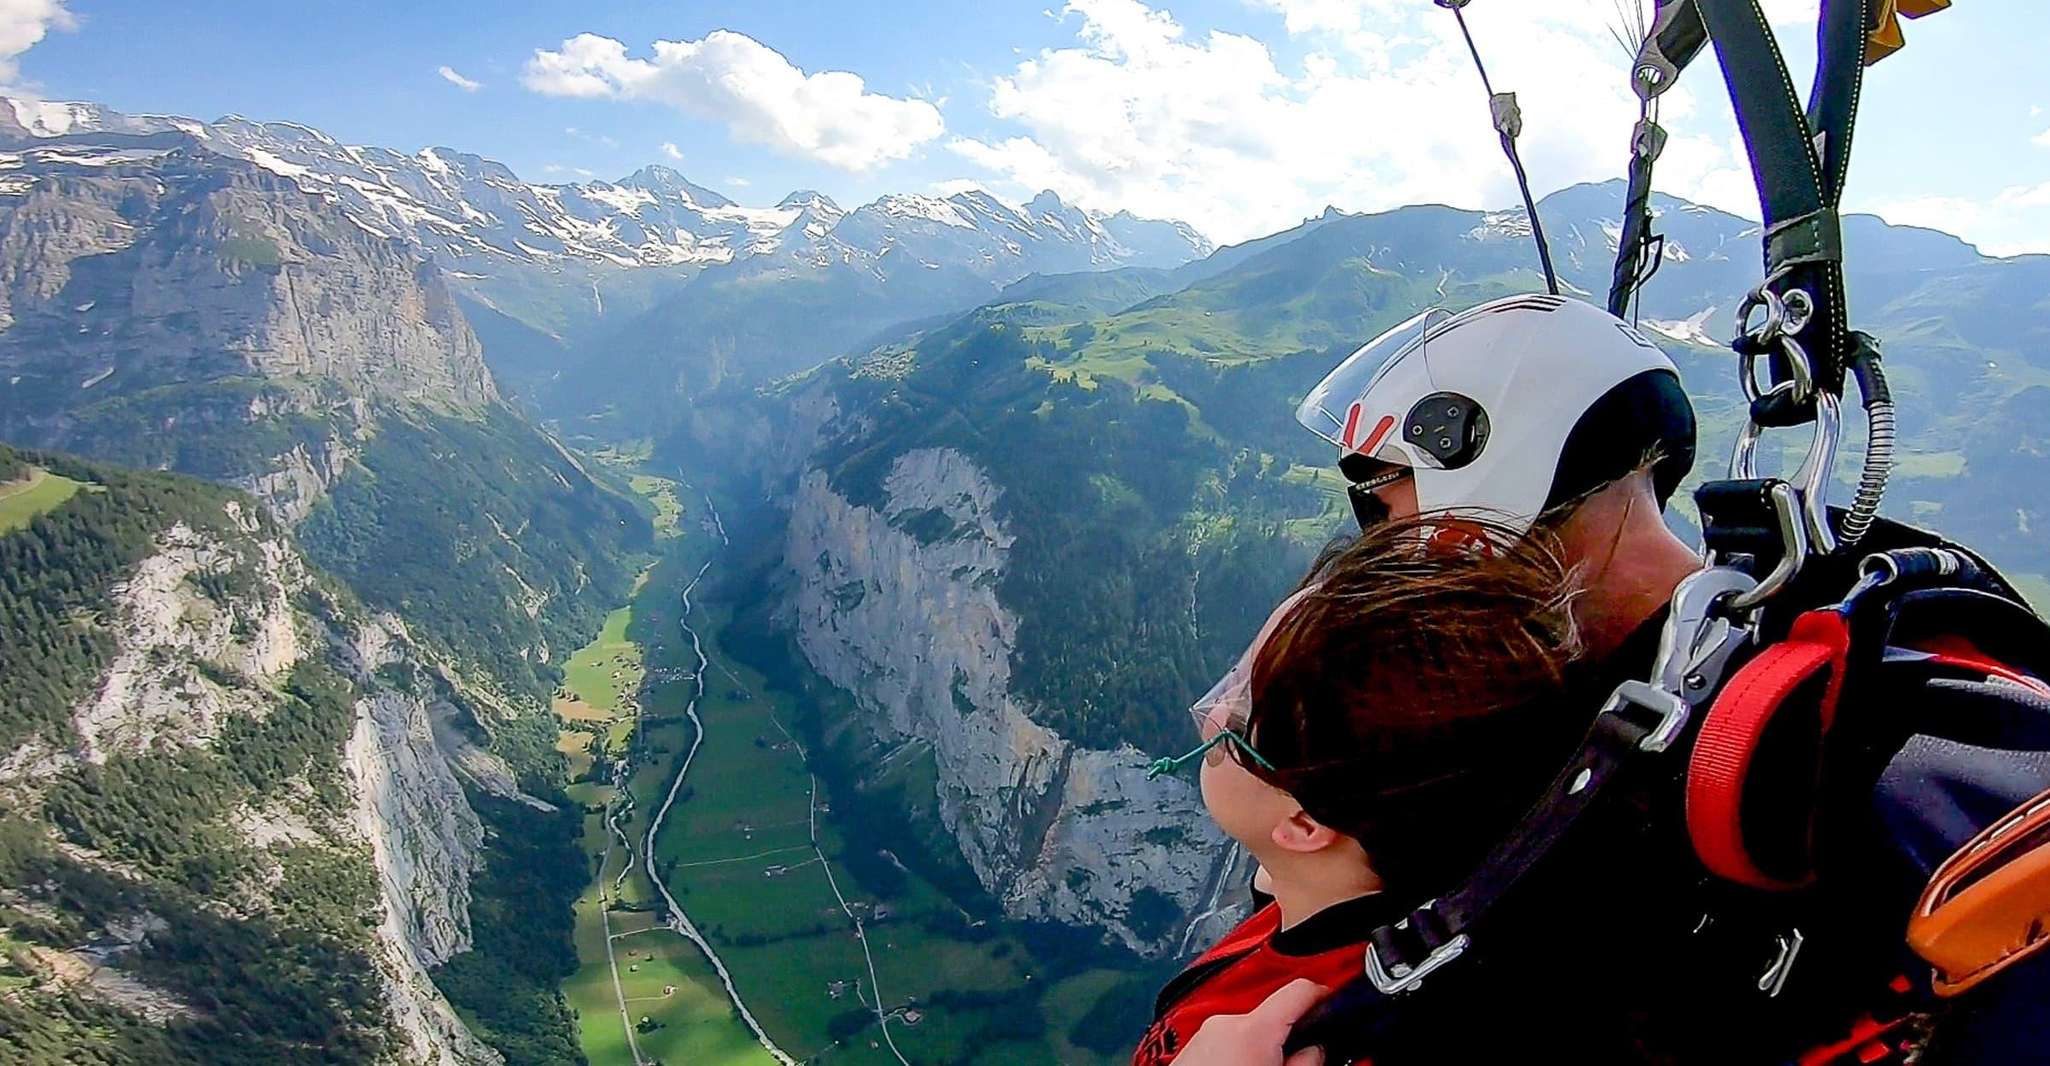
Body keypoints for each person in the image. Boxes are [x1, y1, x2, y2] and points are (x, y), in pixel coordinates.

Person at [1135, 515, 1586, 1065]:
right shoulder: (1346, 909)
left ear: (1304, 826)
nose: (1212, 721)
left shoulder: (1333, 1040)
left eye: (1239, 722)